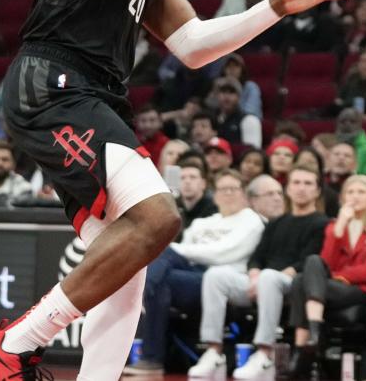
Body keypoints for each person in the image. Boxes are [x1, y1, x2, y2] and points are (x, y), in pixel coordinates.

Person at [0, 0, 355, 381]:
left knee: (128, 264)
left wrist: (276, 6)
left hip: (94, 92)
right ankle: (10, 345)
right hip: (53, 80)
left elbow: (194, 44)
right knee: (157, 218)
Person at [189, 167, 329, 381]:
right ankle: (213, 350)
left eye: (308, 184)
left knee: (269, 277)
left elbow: (310, 260)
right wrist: (254, 275)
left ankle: (264, 353)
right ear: (288, 189)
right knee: (216, 275)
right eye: (297, 183)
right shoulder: (276, 222)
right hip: (263, 281)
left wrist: (264, 277)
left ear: (318, 191)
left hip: (294, 283)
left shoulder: (321, 222)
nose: (301, 188)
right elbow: (257, 256)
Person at [130, 168, 265, 374]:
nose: (228, 193)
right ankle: (152, 359)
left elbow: (225, 253)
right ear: (215, 194)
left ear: (244, 194)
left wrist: (179, 250)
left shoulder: (251, 219)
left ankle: (141, 291)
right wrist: (179, 252)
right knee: (163, 277)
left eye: (233, 189)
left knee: (165, 257)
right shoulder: (204, 223)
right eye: (222, 189)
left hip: (220, 278)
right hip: (190, 274)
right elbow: (183, 253)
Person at [288, 175, 366, 364]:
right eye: (350, 192)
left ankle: (302, 350)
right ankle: (311, 335)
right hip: (329, 289)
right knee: (308, 267)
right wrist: (339, 228)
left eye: (361, 192)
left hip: (360, 290)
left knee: (301, 281)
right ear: (343, 197)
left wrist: (335, 277)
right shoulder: (334, 227)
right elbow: (326, 262)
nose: (355, 196)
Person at [176, 161, 217, 233]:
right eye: (182, 178)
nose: (187, 181)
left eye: (193, 177)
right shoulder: (174, 207)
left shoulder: (214, 209)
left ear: (203, 184)